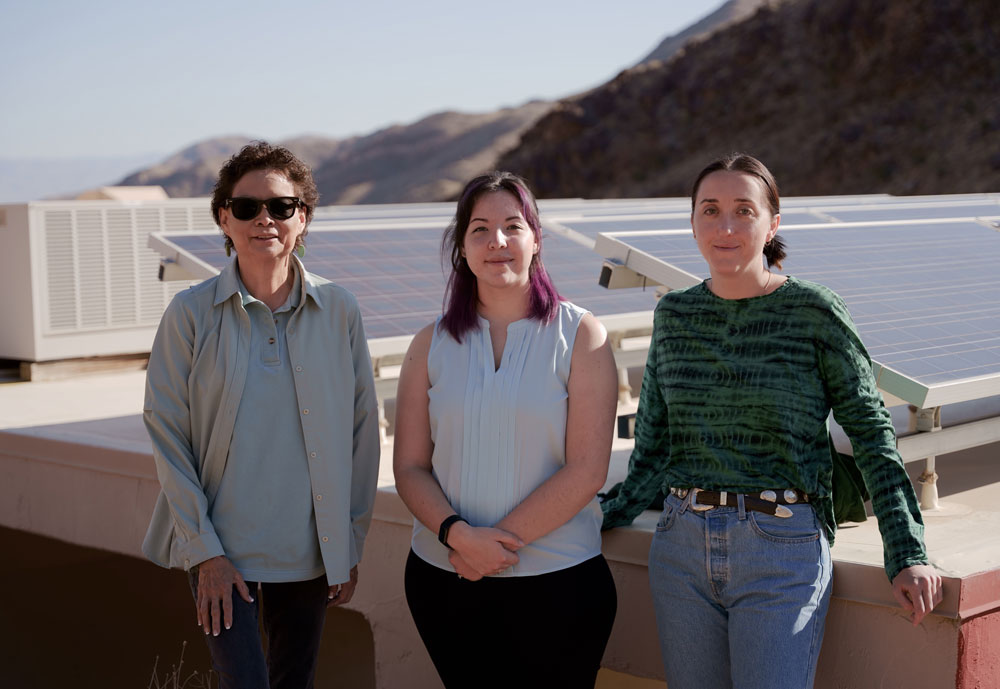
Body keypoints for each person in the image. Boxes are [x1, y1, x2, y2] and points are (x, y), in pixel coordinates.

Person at [601, 154, 943, 689]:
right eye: (710, 210)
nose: (726, 226)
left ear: (772, 223)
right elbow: (654, 444)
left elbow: (871, 431)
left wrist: (906, 550)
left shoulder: (813, 310)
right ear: (692, 222)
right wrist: (604, 512)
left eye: (744, 210)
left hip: (782, 552)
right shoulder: (674, 315)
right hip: (680, 548)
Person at [142, 141, 380, 689]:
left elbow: (362, 429)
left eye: (281, 206)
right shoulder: (190, 314)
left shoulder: (339, 309)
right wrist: (205, 554)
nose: (264, 220)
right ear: (225, 217)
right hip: (224, 554)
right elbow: (167, 432)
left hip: (310, 553)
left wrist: (347, 542)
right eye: (246, 207)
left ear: (304, 217)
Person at [393, 171, 619, 688]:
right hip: (443, 580)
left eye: (512, 226)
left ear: (535, 240)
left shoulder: (581, 334)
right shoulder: (428, 343)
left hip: (560, 587)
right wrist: (459, 538)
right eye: (479, 229)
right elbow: (408, 466)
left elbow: (587, 469)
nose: (497, 242)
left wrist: (492, 550)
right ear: (462, 249)